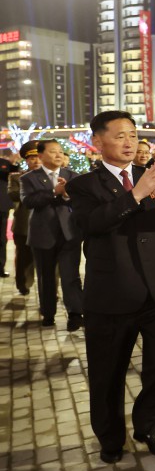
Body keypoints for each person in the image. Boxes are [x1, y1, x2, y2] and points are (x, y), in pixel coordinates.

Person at [67, 110, 155, 463]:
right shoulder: (83, 186)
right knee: (107, 374)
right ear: (98, 142)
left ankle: (151, 426)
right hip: (111, 295)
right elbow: (92, 224)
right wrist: (135, 195)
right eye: (120, 135)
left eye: (133, 134)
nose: (129, 142)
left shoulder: (153, 176)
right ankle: (110, 437)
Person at [20, 140, 84, 330]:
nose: (58, 155)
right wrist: (54, 192)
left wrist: (67, 195)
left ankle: (75, 314)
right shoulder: (29, 178)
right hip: (42, 235)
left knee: (70, 275)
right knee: (46, 277)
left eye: (60, 152)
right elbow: (28, 201)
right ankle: (48, 313)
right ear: (40, 156)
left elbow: (81, 200)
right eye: (53, 152)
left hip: (69, 234)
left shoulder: (72, 176)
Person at [9, 142, 41, 295]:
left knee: (47, 261)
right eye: (32, 158)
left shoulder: (53, 176)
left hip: (47, 225)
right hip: (24, 224)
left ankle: (48, 288)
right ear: (26, 160)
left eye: (38, 157)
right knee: (24, 257)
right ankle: (23, 283)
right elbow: (13, 195)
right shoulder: (17, 177)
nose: (36, 161)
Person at [0, 150, 16, 278]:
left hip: (1, 206)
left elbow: (12, 172)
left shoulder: (4, 163)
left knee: (1, 239)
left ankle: (0, 268)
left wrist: (14, 162)